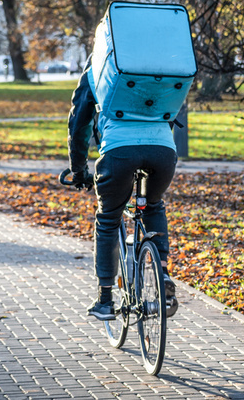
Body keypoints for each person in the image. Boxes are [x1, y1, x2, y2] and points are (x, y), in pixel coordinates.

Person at [67, 58, 178, 321]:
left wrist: (78, 170)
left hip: (118, 152)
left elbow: (79, 123)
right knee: (153, 204)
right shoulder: (157, 65)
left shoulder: (97, 70)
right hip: (163, 151)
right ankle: (162, 273)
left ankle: (105, 300)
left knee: (107, 219)